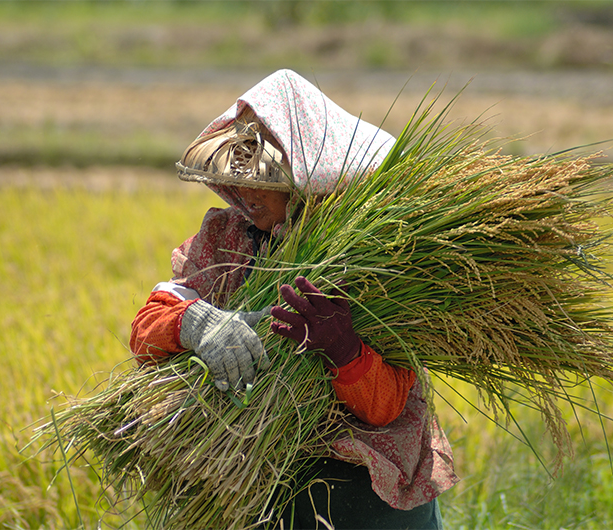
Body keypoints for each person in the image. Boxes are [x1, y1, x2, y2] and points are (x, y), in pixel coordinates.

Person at [129, 69, 459, 529]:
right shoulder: (224, 238)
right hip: (257, 488)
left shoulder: (372, 256)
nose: (244, 193)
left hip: (364, 497)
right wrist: (196, 323)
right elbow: (146, 328)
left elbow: (385, 408)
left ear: (304, 178)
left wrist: (343, 349)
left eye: (261, 178)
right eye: (238, 177)